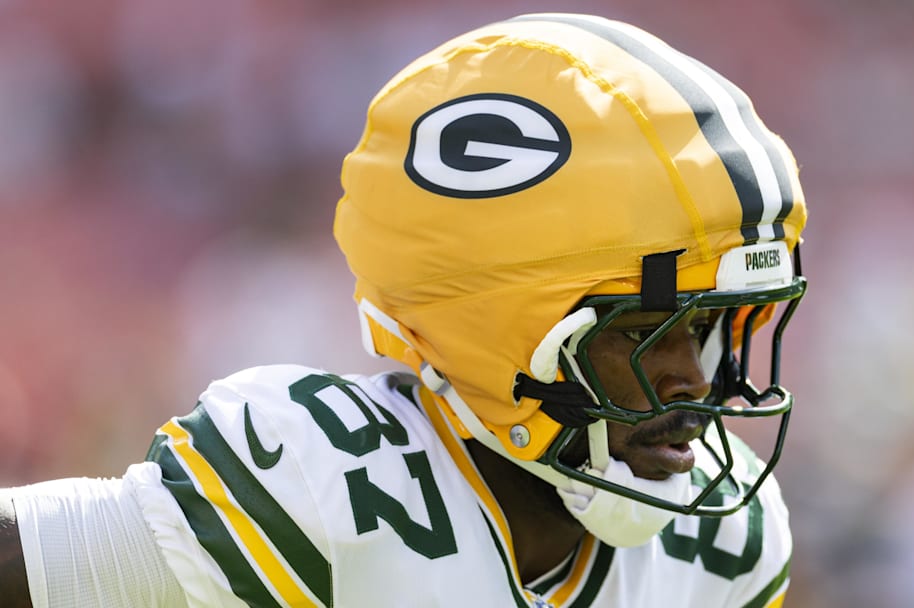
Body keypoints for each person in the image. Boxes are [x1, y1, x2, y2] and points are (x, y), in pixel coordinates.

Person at [0, 12, 807, 608]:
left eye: (704, 327)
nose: (691, 380)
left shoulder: (721, 543)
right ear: (501, 331)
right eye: (643, 331)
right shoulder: (334, 487)